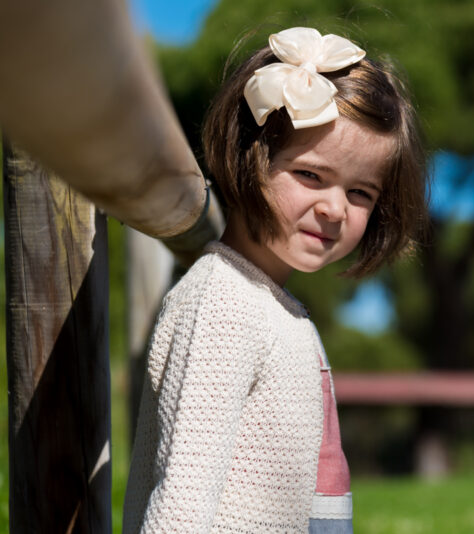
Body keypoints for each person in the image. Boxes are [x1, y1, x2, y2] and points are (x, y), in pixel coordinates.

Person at [122, 27, 427, 533]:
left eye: (361, 193)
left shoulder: (271, 304)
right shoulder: (223, 302)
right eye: (310, 175)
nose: (334, 208)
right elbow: (182, 502)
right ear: (248, 156)